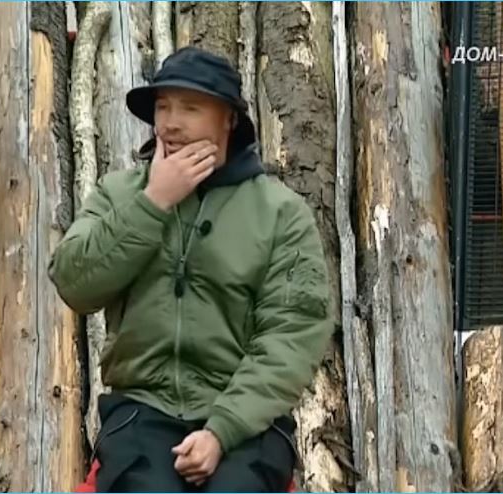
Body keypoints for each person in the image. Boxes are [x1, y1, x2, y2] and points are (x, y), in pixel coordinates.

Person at [49, 47, 334, 493]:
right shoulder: (118, 194)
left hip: (246, 421)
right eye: (163, 107)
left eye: (191, 108)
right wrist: (154, 202)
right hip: (142, 411)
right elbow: (75, 284)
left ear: (229, 119)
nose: (170, 123)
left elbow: (291, 336)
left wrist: (222, 430)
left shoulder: (281, 213)